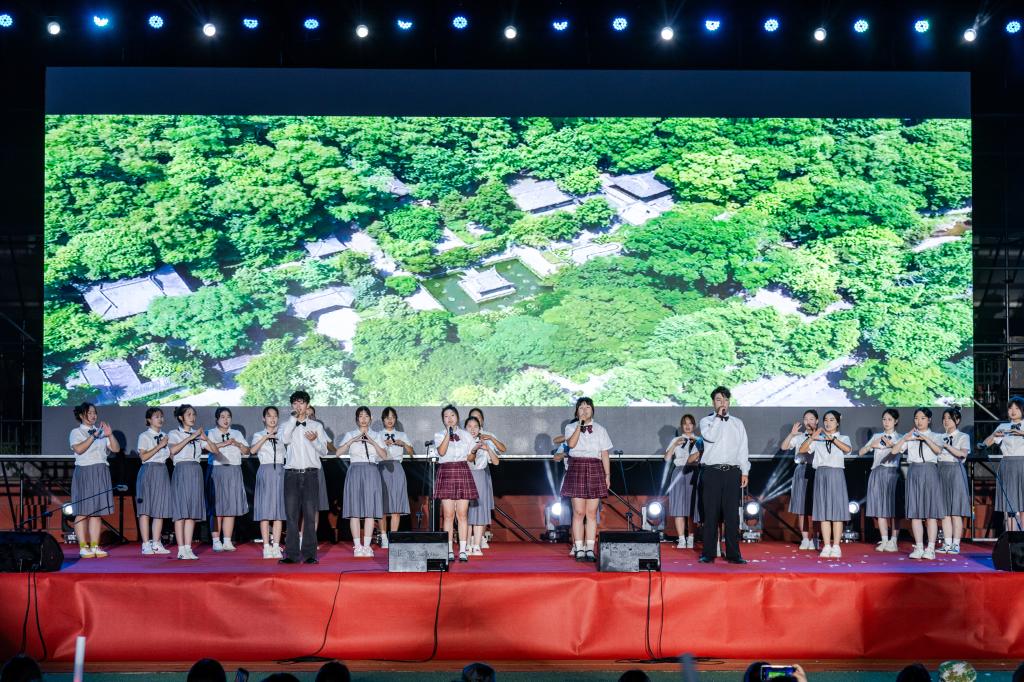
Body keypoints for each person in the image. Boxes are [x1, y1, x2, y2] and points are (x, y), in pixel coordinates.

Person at [698, 386, 749, 565]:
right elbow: (710, 437)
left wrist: (745, 471)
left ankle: (734, 554)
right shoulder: (706, 421)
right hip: (712, 471)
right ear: (713, 402)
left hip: (732, 472)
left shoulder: (738, 423)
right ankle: (708, 553)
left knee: (732, 515)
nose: (723, 403)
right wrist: (718, 418)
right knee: (711, 514)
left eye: (726, 400)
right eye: (719, 400)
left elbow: (743, 449)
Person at [560, 397, 613, 562]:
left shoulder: (600, 429)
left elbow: (604, 453)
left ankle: (590, 548)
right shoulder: (570, 427)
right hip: (576, 467)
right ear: (576, 412)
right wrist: (579, 425)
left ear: (593, 410)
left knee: (591, 512)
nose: (584, 410)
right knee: (578, 512)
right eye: (581, 407)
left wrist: (607, 475)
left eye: (587, 407)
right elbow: (572, 444)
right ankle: (579, 548)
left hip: (595, 467)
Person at [280, 391, 328, 564]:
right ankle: (291, 554)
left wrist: (315, 440)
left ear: (307, 405)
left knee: (309, 516)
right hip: (291, 475)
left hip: (310, 474)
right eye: (295, 403)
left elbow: (324, 451)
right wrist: (293, 420)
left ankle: (309, 554)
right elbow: (284, 439)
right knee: (291, 516)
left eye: (301, 403)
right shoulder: (286, 425)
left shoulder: (316, 426)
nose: (298, 406)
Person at [69, 402, 120, 559]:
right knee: (82, 511)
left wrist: (109, 435)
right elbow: (79, 449)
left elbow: (116, 449)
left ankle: (95, 546)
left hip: (101, 471)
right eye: (89, 413)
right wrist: (93, 436)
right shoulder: (76, 432)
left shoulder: (101, 432)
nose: (93, 416)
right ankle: (83, 547)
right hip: (85, 471)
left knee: (97, 512)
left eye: (94, 413)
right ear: (81, 415)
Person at [799, 410, 853, 559]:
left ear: (838, 422)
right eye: (826, 420)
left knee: (837, 512)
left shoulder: (843, 438)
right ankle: (827, 545)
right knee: (823, 512)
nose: (828, 423)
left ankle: (836, 546)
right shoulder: (818, 439)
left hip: (836, 474)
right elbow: (802, 450)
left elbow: (848, 449)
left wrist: (832, 439)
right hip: (821, 474)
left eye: (832, 420)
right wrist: (813, 437)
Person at [894, 408, 945, 560]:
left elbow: (938, 450)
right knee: (915, 512)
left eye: (922, 418)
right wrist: (906, 438)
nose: (919, 421)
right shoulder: (909, 436)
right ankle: (919, 546)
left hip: (929, 471)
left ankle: (931, 548)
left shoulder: (936, 436)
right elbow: (895, 450)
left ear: (929, 420)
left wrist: (924, 438)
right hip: (914, 471)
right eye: (916, 418)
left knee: (930, 513)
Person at [337, 406, 387, 557]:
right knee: (355, 511)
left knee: (370, 510)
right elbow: (338, 453)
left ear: (371, 418)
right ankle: (357, 546)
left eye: (366, 416)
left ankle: (367, 546)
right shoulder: (350, 434)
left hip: (371, 470)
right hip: (355, 471)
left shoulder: (377, 435)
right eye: (360, 416)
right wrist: (353, 440)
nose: (363, 419)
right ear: (357, 419)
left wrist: (372, 441)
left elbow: (384, 456)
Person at [434, 404, 479, 562]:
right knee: (448, 515)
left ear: (457, 417)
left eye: (452, 415)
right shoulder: (439, 435)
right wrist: (448, 433)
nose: (450, 418)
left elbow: (471, 458)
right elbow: (441, 452)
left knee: (462, 514)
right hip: (446, 472)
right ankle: (448, 550)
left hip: (462, 470)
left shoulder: (466, 435)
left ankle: (463, 550)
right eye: (446, 416)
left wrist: (474, 451)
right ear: (443, 420)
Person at [168, 405, 209, 560]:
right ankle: (180, 549)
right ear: (181, 417)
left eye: (194, 414)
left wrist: (205, 438)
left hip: (196, 470)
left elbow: (214, 450)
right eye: (189, 414)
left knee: (192, 512)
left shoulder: (197, 434)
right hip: (181, 470)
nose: (192, 417)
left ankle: (188, 547)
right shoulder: (174, 433)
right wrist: (191, 437)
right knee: (181, 511)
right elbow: (172, 451)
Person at [860, 408, 903, 552]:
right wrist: (871, 445)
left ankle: (894, 540)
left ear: (896, 421)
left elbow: (901, 451)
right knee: (880, 508)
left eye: (890, 419)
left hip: (892, 473)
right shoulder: (877, 436)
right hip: (877, 472)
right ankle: (884, 540)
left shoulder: (900, 437)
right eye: (884, 419)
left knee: (894, 509)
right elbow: (861, 452)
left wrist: (891, 445)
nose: (886, 422)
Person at [207, 407, 249, 552]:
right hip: (217, 469)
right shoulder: (211, 433)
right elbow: (209, 448)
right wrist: (224, 444)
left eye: (228, 416)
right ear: (217, 419)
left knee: (231, 508)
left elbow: (247, 451)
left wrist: (238, 444)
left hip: (234, 470)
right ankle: (216, 540)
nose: (226, 419)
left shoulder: (236, 433)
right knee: (217, 508)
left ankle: (227, 540)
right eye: (222, 416)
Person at [983, 396, 1024, 532]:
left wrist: (1021, 433)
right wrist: (994, 435)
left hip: (1022, 464)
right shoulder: (1003, 426)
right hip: (1007, 465)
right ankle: (1011, 538)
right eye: (1010, 408)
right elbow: (986, 443)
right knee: (1010, 506)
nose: (1013, 411)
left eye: (1017, 408)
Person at [136, 407, 173, 555]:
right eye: (157, 416)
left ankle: (156, 543)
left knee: (160, 508)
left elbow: (171, 454)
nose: (160, 419)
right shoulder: (144, 436)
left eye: (161, 416)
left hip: (162, 470)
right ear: (149, 420)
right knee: (145, 509)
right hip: (148, 470)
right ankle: (146, 544)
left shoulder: (165, 435)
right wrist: (160, 445)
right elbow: (143, 457)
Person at [251, 406, 286, 559]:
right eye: (269, 416)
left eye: (275, 416)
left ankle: (276, 546)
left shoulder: (283, 435)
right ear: (263, 418)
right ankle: (266, 546)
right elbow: (252, 450)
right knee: (264, 511)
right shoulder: (258, 434)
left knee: (279, 511)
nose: (272, 419)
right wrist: (266, 437)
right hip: (265, 471)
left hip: (280, 472)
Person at [468, 408, 507, 549]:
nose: (476, 420)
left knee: (483, 505)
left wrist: (490, 439)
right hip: (468, 472)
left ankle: (480, 537)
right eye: (473, 418)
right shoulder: (465, 437)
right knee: (468, 507)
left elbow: (502, 449)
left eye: (478, 418)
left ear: (482, 421)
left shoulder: (487, 435)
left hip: (483, 472)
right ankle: (468, 540)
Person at [781, 409, 819, 550]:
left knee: (816, 507)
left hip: (816, 471)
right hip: (801, 470)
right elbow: (784, 447)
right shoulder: (799, 437)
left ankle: (815, 538)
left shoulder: (822, 437)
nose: (808, 422)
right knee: (802, 506)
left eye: (811, 419)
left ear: (817, 421)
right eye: (805, 419)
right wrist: (792, 434)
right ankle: (805, 538)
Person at [664, 413, 702, 549]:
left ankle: (691, 538)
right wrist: (674, 445)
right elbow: (667, 458)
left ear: (694, 426)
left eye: (690, 423)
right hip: (679, 472)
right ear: (681, 426)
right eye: (685, 423)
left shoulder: (699, 440)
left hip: (693, 472)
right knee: (679, 506)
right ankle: (681, 538)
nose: (687, 426)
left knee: (692, 507)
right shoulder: (676, 440)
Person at [937, 408, 971, 554]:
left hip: (956, 470)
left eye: (949, 418)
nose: (946, 421)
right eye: (944, 418)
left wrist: (946, 445)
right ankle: (947, 543)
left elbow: (962, 454)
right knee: (944, 511)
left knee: (956, 511)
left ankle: (956, 544)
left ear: (957, 420)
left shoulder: (963, 436)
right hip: (941, 470)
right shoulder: (939, 437)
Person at [378, 406, 413, 548]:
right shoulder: (377, 435)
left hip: (397, 468)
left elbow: (411, 452)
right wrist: (382, 444)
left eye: (392, 417)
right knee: (382, 505)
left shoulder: (402, 435)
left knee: (396, 505)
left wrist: (403, 444)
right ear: (383, 420)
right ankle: (383, 536)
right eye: (387, 417)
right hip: (381, 468)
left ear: (396, 419)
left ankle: (393, 536)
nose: (390, 420)